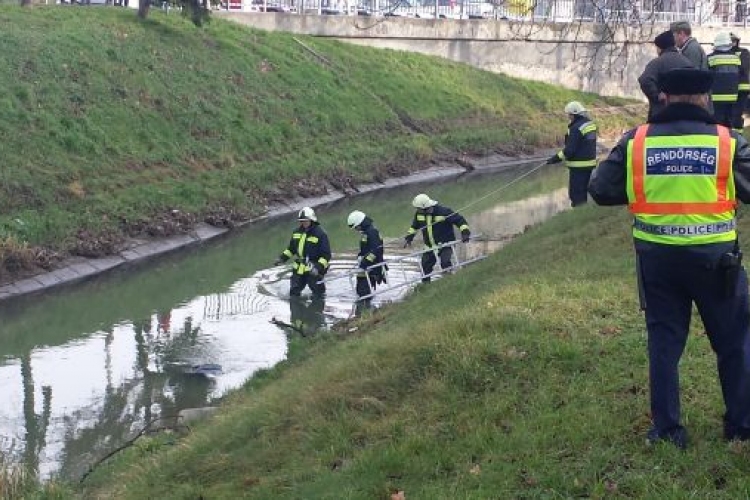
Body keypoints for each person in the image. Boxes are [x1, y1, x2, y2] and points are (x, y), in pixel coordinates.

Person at [588, 67, 750, 449]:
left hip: (658, 261)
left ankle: (666, 431)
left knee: (664, 344)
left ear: (664, 98)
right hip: (717, 261)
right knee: (734, 342)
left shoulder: (636, 142)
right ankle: (741, 427)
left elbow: (600, 189)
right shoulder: (729, 143)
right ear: (705, 99)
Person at [404, 194, 471, 283]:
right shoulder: (419, 214)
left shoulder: (444, 211)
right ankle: (425, 286)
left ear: (425, 207)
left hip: (446, 244)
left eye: (418, 208)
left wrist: (465, 232)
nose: (417, 210)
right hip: (429, 246)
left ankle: (449, 282)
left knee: (445, 262)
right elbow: (414, 227)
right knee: (425, 266)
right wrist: (409, 238)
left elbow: (460, 220)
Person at [545, 101, 598, 207]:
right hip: (589, 165)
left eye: (569, 115)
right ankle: (582, 213)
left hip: (578, 167)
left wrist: (555, 159)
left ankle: (579, 216)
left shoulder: (575, 128)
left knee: (576, 195)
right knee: (583, 192)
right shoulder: (590, 124)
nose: (568, 117)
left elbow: (569, 150)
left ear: (574, 114)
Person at [274, 207, 331, 298]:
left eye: (305, 221)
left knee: (318, 295)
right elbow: (291, 249)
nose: (303, 223)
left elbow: (326, 255)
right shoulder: (296, 232)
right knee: (294, 293)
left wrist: (317, 268)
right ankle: (296, 310)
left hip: (313, 270)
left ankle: (317, 311)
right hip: (299, 269)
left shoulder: (320, 234)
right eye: (301, 221)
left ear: (312, 220)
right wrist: (282, 258)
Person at [638, 30, 693, 122]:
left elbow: (645, 80)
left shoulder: (657, 63)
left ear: (660, 48)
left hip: (661, 112)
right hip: (685, 113)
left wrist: (656, 95)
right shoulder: (687, 62)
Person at [347, 210, 387, 300]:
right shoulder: (366, 232)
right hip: (366, 266)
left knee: (364, 291)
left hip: (371, 267)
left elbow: (375, 251)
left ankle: (365, 310)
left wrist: (364, 262)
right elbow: (365, 249)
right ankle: (365, 310)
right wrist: (360, 256)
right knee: (361, 290)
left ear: (360, 223)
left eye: (356, 227)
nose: (356, 230)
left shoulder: (372, 232)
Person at [708, 31, 741, 127]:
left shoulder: (711, 58)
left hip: (716, 97)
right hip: (733, 96)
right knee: (729, 124)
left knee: (717, 125)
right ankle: (729, 141)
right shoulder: (736, 58)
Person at [731, 32, 750, 133]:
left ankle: (738, 135)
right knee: (733, 113)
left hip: (742, 88)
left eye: (733, 41)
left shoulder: (744, 52)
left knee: (737, 113)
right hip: (732, 87)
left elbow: (744, 68)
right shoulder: (729, 53)